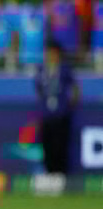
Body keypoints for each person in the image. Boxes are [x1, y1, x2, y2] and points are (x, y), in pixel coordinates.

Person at [35, 42, 80, 175]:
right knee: (47, 145)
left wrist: (70, 104)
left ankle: (61, 174)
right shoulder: (42, 69)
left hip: (61, 114)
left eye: (54, 53)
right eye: (49, 53)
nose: (51, 56)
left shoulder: (65, 69)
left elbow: (75, 88)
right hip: (47, 115)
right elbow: (38, 88)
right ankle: (49, 172)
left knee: (61, 145)